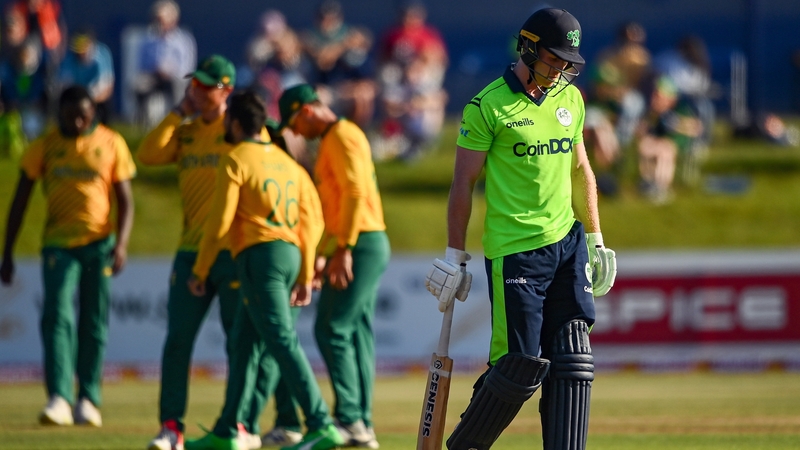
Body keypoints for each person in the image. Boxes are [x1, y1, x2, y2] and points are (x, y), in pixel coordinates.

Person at [423, 9, 616, 450]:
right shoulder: (487, 106)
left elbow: (581, 171)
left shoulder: (571, 99)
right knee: (519, 364)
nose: (561, 69)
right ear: (528, 48)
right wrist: (455, 255)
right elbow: (463, 183)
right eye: (553, 58)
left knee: (574, 358)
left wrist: (595, 237)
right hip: (516, 252)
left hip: (567, 243)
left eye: (568, 62)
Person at [183, 90, 343, 450]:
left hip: (260, 257)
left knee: (281, 339)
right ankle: (229, 429)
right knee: (243, 342)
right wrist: (304, 272)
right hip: (289, 255)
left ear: (236, 124)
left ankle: (320, 423)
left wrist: (201, 269)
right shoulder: (290, 165)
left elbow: (219, 222)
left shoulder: (236, 157)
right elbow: (312, 222)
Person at [137, 55, 262, 450]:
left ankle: (240, 424)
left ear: (227, 90)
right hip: (191, 252)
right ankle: (171, 427)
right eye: (195, 84)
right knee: (178, 341)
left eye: (207, 86)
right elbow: (147, 154)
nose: (198, 91)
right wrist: (177, 113)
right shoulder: (186, 132)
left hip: (233, 254)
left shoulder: (241, 132)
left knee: (239, 343)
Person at [0, 85, 135, 427]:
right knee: (57, 317)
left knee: (94, 321)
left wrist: (121, 244)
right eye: (70, 115)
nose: (77, 122)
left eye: (83, 116)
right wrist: (8, 251)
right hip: (58, 245)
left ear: (93, 114)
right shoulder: (44, 146)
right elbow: (20, 200)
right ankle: (59, 397)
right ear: (59, 113)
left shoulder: (111, 142)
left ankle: (88, 398)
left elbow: (126, 201)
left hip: (99, 244)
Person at [279, 83, 390, 449]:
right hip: (360, 240)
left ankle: (351, 418)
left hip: (361, 242)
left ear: (307, 110)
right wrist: (326, 250)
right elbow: (337, 204)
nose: (297, 133)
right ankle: (361, 423)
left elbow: (356, 193)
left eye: (295, 123)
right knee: (355, 332)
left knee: (331, 327)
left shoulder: (341, 135)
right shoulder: (333, 138)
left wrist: (344, 248)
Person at [375, 1, 448, 161]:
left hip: (421, 86)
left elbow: (439, 60)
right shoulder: (393, 35)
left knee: (426, 121)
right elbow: (383, 62)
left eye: (413, 15)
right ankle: (394, 137)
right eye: (406, 15)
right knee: (390, 88)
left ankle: (420, 142)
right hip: (400, 83)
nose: (409, 19)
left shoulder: (428, 35)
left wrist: (419, 64)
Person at [301, 0, 376, 129]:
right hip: (326, 86)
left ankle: (358, 131)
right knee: (319, 97)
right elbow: (323, 61)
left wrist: (356, 40)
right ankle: (325, 135)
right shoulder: (311, 36)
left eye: (331, 18)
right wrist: (344, 44)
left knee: (364, 94)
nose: (327, 22)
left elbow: (365, 40)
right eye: (324, 18)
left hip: (349, 85)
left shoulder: (348, 32)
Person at [134, 0, 196, 127]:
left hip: (175, 78)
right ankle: (143, 125)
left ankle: (178, 122)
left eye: (161, 19)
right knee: (139, 85)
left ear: (173, 20)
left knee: (178, 87)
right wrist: (155, 69)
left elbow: (188, 67)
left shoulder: (183, 40)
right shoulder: (148, 40)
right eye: (156, 19)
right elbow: (141, 65)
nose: (158, 23)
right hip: (154, 77)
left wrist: (171, 71)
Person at [57, 27, 115, 124]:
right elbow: (64, 84)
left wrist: (89, 100)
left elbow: (106, 87)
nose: (81, 53)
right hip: (75, 96)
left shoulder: (101, 55)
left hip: (96, 99)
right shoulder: (68, 58)